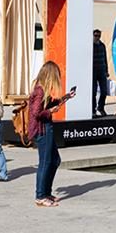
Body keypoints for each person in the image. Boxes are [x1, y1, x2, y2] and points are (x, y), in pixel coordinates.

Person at [29, 61, 75, 207]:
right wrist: (50, 112)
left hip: (46, 128)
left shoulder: (42, 90)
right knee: (46, 161)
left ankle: (46, 192)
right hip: (42, 130)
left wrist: (65, 97)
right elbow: (36, 113)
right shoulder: (40, 90)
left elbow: (47, 105)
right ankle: (40, 195)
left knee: (55, 160)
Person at [92, 29, 109, 117]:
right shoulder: (91, 46)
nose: (97, 37)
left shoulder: (102, 45)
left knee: (104, 91)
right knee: (93, 91)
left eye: (99, 35)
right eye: (96, 35)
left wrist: (106, 70)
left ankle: (101, 107)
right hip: (93, 71)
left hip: (102, 70)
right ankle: (93, 110)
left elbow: (105, 58)